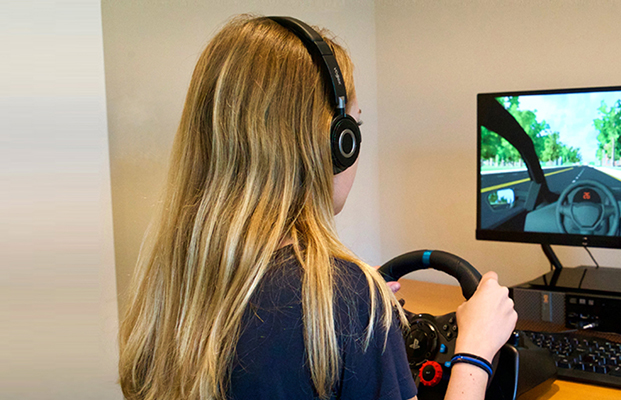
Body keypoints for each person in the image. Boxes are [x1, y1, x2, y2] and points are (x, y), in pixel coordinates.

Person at [117, 14, 517, 400]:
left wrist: (357, 316)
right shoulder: (350, 299)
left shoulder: (172, 285)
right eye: (354, 128)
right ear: (339, 144)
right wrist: (474, 352)